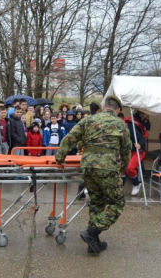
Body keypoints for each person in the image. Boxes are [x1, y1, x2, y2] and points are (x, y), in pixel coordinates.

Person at [55, 96, 131, 255]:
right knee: (117, 203)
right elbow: (126, 151)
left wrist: (60, 158)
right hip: (107, 167)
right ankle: (92, 232)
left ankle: (93, 244)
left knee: (97, 202)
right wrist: (122, 169)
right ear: (117, 110)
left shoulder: (88, 120)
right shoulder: (120, 124)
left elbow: (70, 138)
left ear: (104, 107)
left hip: (88, 166)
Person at [123, 114, 146, 196]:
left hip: (138, 151)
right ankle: (120, 188)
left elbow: (142, 138)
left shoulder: (130, 127)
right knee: (121, 169)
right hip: (128, 151)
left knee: (130, 168)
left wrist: (139, 144)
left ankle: (136, 184)